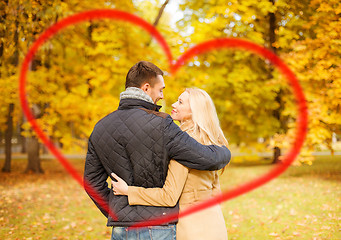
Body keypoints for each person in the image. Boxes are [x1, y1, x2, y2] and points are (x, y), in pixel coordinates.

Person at [83, 61, 231, 240]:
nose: (162, 96)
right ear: (146, 88)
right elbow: (208, 158)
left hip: (121, 228)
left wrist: (118, 211)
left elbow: (91, 182)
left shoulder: (100, 128)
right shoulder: (162, 124)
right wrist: (225, 152)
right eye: (160, 90)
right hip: (157, 227)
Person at [111, 88, 229, 240]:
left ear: (194, 111)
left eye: (180, 102)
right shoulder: (211, 140)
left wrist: (128, 191)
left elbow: (169, 197)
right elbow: (215, 191)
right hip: (214, 223)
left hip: (192, 228)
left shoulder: (184, 144)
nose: (174, 104)